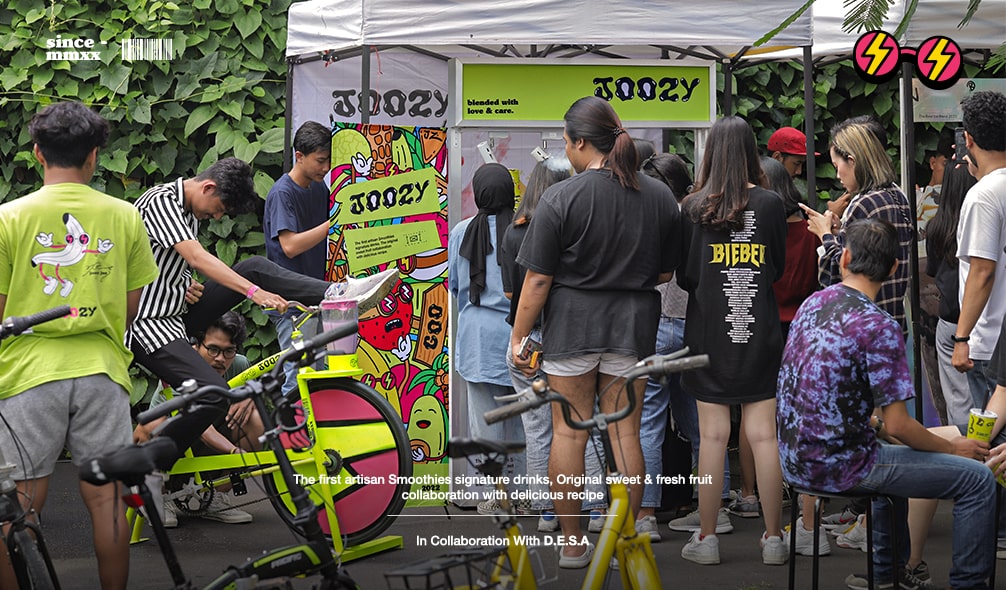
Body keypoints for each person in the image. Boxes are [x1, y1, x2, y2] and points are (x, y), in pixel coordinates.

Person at [129, 157, 398, 464]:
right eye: (220, 209)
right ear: (208, 187)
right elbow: (197, 257)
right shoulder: (161, 201)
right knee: (215, 395)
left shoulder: (190, 212)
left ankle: (337, 292)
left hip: (176, 316)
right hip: (147, 324)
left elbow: (158, 261)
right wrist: (254, 293)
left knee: (254, 267)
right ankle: (150, 466)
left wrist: (183, 283)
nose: (217, 217)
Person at [777, 217, 996, 590]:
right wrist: (953, 448)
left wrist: (880, 429)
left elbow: (832, 400)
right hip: (843, 466)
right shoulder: (879, 326)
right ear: (895, 268)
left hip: (794, 459)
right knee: (977, 480)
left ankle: (887, 576)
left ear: (844, 258)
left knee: (891, 456)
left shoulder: (814, 303)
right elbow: (898, 425)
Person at [511, 96, 680, 568]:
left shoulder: (561, 197)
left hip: (572, 328)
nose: (567, 152)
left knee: (568, 434)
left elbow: (537, 280)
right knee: (626, 435)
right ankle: (625, 538)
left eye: (567, 143)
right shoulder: (659, 196)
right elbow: (666, 274)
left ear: (581, 143)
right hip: (633, 328)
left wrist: (518, 337)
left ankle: (572, 544)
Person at [0, 101, 159, 590]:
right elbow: (129, 308)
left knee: (18, 508)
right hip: (102, 371)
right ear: (93, 156)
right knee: (108, 501)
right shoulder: (125, 216)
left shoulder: (8, 217)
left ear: (37, 153)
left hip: (27, 374)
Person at [675, 116, 788, 567]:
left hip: (708, 334)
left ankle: (707, 538)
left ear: (710, 152)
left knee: (712, 437)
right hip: (760, 332)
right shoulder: (772, 204)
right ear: (750, 151)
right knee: (764, 435)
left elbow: (686, 275)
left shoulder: (692, 206)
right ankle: (774, 538)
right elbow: (775, 268)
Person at [499, 155, 606, 533]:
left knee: (538, 429)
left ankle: (547, 510)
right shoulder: (579, 228)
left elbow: (511, 292)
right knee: (582, 424)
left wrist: (520, 334)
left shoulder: (514, 231)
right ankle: (594, 506)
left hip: (525, 339)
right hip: (568, 337)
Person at [638, 152, 732, 541]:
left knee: (648, 422)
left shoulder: (648, 216)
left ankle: (645, 514)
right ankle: (717, 506)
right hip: (694, 327)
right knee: (704, 424)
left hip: (655, 326)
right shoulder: (701, 219)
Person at [134, 311, 260, 527]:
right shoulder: (181, 367)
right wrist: (235, 453)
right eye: (213, 349)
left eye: (229, 351)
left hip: (204, 451)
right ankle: (159, 496)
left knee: (254, 419)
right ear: (195, 347)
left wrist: (249, 399)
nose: (220, 359)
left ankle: (216, 497)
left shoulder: (240, 365)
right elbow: (202, 427)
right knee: (151, 425)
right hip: (169, 450)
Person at [448, 162, 525, 511]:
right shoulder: (525, 228)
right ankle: (526, 494)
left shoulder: (461, 232)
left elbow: (454, 285)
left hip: (477, 340)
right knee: (526, 422)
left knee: (485, 425)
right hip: (520, 335)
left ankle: (499, 497)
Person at [801, 118, 913, 336]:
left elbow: (840, 272)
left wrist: (824, 234)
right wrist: (839, 231)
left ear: (852, 161)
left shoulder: (863, 203)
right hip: (893, 321)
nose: (837, 176)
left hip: (861, 327)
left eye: (837, 166)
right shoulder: (896, 193)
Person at [264, 121, 333, 397]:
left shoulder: (319, 187)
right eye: (320, 160)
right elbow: (290, 246)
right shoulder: (282, 192)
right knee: (297, 379)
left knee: (319, 377)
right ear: (299, 156)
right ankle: (292, 427)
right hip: (291, 304)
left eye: (329, 160)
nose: (326, 168)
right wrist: (332, 225)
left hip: (316, 301)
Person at [951, 90, 1006, 410]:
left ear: (968, 139)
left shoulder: (983, 196)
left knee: (987, 433)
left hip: (989, 343)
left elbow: (983, 270)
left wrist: (962, 337)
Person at [926, 162, 978, 426]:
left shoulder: (936, 227)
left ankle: (966, 445)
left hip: (949, 321)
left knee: (958, 399)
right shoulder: (982, 223)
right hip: (982, 320)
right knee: (988, 393)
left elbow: (932, 271)